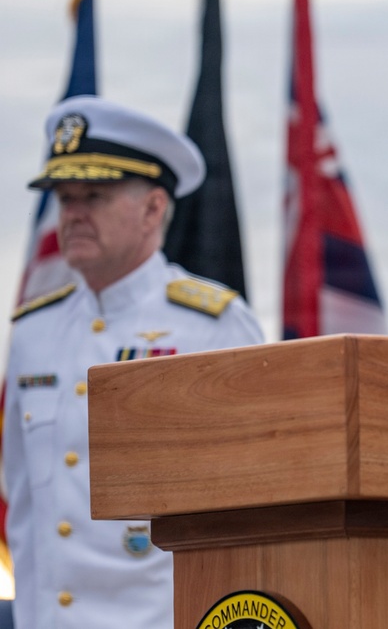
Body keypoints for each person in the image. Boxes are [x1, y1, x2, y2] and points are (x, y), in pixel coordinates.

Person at [2, 95, 264, 629]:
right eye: (64, 195)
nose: (71, 212)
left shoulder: (214, 327)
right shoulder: (33, 332)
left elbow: (255, 512)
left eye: (94, 194)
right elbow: (22, 506)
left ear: (154, 209)